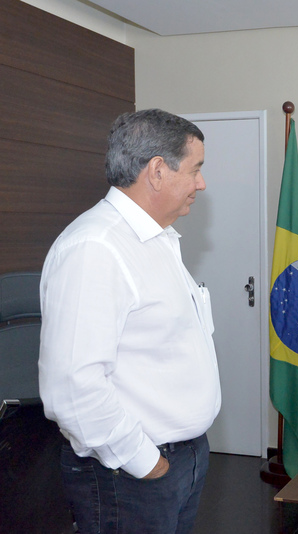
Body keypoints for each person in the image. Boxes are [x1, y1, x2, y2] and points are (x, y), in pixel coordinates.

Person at [38, 109, 221, 534]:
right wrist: (146, 462)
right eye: (195, 169)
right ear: (157, 171)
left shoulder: (158, 239)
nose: (201, 183)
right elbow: (73, 388)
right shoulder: (96, 247)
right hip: (131, 474)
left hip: (181, 460)